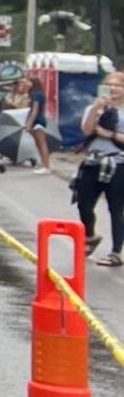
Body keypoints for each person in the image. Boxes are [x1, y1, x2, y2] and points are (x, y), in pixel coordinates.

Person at [75, 75, 124, 265]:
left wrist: (110, 134)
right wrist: (96, 108)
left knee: (116, 208)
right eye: (108, 85)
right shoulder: (93, 108)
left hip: (118, 162)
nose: (112, 89)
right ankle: (90, 235)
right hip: (93, 161)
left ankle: (116, 251)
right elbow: (86, 131)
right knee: (83, 203)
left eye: (117, 85)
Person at [24, 74, 54, 168]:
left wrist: (28, 123)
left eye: (28, 82)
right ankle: (44, 164)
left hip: (38, 120)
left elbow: (35, 110)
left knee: (42, 143)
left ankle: (46, 166)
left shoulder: (36, 94)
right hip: (35, 120)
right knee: (38, 143)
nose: (26, 84)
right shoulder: (34, 94)